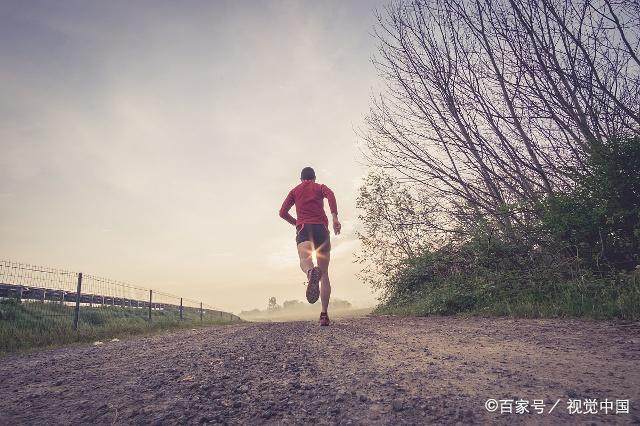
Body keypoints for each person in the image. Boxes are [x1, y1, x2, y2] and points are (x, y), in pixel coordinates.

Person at [279, 167, 341, 326]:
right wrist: (334, 218)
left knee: (304, 259)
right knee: (325, 274)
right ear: (314, 178)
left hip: (304, 228)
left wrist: (297, 223)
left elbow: (282, 212)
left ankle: (309, 272)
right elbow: (331, 195)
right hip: (321, 229)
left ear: (301, 179)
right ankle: (324, 315)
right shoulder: (320, 187)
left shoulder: (295, 191)